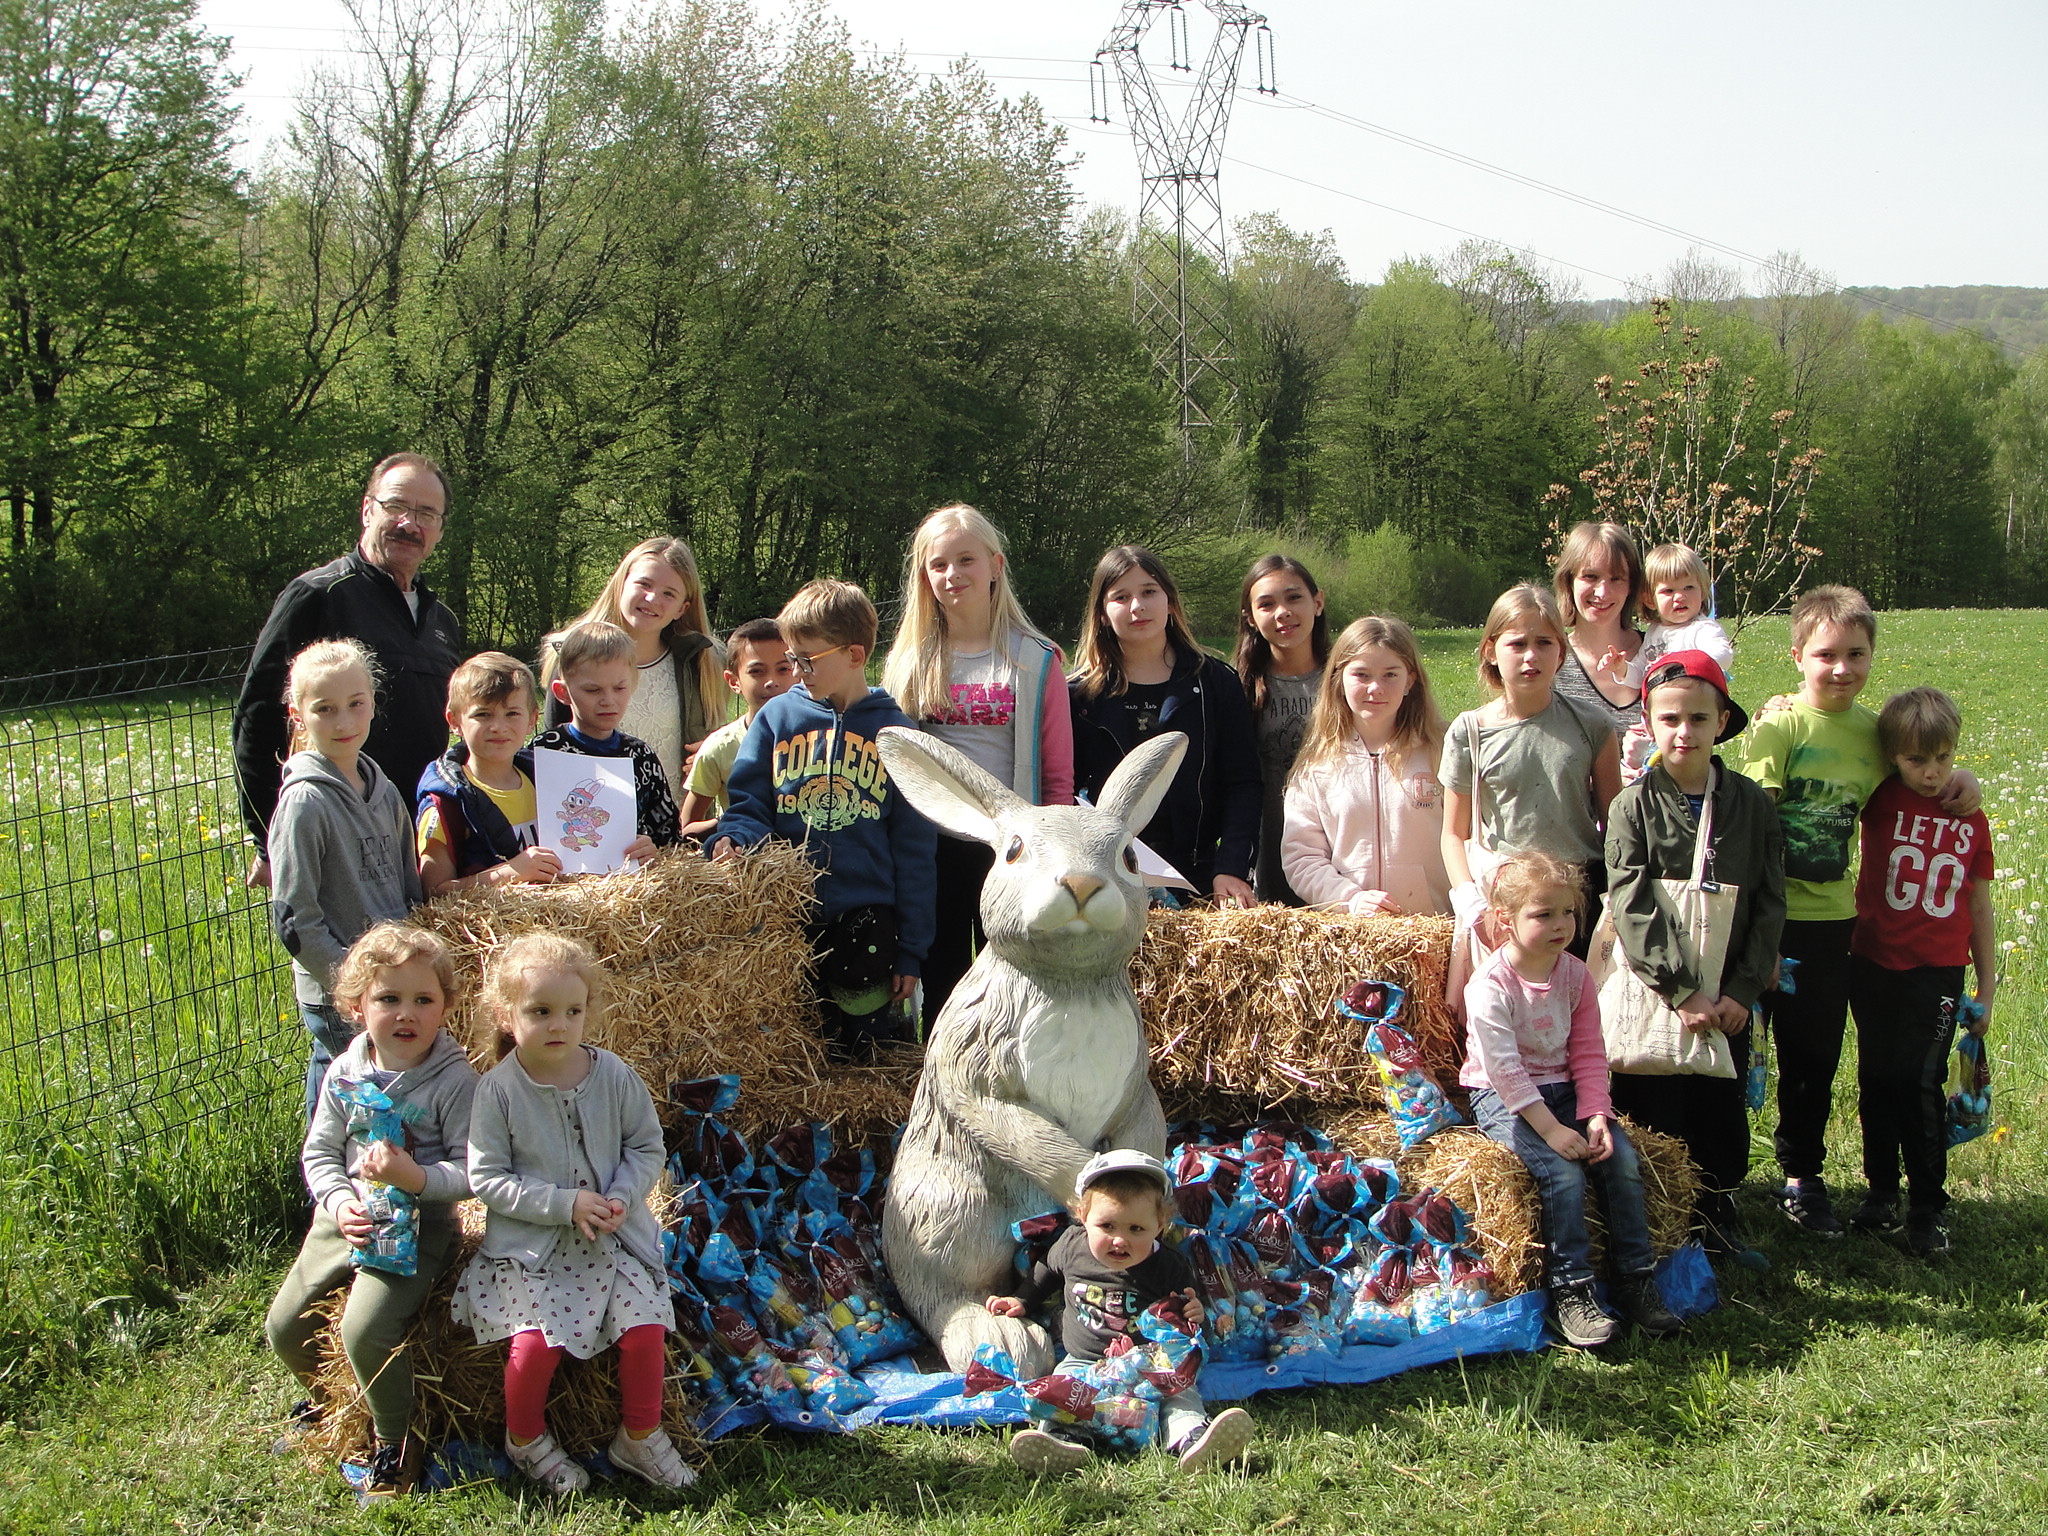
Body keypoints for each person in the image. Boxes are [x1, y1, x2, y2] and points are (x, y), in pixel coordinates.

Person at [1738, 586, 1980, 1238]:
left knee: (1814, 1055)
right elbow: (1755, 813)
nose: (1841, 667)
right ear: (1797, 656)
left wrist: (1968, 781)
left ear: (1872, 655)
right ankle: (1719, 1177)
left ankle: (1803, 1176)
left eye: (1856, 654)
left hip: (1831, 925)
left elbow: (1922, 773)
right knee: (1738, 1050)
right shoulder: (1780, 725)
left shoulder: (1875, 735)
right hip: (1763, 919)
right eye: (1826, 654)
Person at [452, 932, 694, 1493]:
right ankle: (525, 1438)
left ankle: (639, 1436)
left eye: (572, 1011)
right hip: (536, 1253)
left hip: (613, 1240)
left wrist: (622, 1195)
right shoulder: (499, 1091)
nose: (558, 1024)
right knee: (536, 1342)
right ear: (505, 1014)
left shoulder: (613, 1075)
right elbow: (487, 1179)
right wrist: (563, 1205)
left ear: (590, 1011)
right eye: (540, 1011)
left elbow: (646, 1146)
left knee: (645, 1327)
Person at [265, 924, 478, 1503]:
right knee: (283, 1327)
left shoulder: (455, 1082)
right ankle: (338, 1403)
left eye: (422, 1000)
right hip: (349, 1215)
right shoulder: (344, 1072)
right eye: (388, 998)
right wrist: (339, 1202)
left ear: (446, 1008)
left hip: (419, 1224)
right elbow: (320, 1152)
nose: (405, 1013)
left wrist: (415, 1179)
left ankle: (395, 1443)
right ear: (356, 1007)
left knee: (365, 1329)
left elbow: (472, 1172)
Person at [1603, 652, 1784, 1268]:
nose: (1685, 732)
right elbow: (1630, 903)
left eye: (1699, 718)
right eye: (1670, 718)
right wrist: (1683, 990)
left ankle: (1717, 1217)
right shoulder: (1633, 807)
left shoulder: (1752, 805)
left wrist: (1741, 990)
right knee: (1654, 1110)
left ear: (1722, 721)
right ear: (1649, 724)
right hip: (1659, 993)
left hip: (1730, 992)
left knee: (1719, 1114)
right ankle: (1657, 1225)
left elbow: (1768, 903)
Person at [1459, 851, 1682, 1347]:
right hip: (1503, 1097)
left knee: (1620, 1160)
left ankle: (1635, 1279)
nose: (1561, 925)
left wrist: (1596, 1114)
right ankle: (1571, 1291)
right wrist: (1554, 1130)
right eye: (1543, 914)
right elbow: (1506, 1072)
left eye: (1568, 912)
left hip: (1565, 1088)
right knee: (1561, 1173)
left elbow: (1587, 1051)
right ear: (1505, 920)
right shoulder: (1490, 986)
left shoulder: (1576, 974)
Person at [710, 580, 938, 1059]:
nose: (797, 671)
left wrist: (912, 949)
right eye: (794, 658)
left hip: (868, 920)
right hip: (788, 914)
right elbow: (750, 802)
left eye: (808, 660)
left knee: (867, 1050)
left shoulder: (897, 733)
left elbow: (914, 849)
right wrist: (735, 836)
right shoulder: (777, 718)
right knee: (797, 1046)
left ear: (855, 655)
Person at [234, 452, 465, 889]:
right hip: (335, 836)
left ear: (439, 528)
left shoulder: (442, 620)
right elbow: (257, 717)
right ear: (367, 510)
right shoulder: (319, 597)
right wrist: (270, 840)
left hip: (417, 839)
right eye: (395, 506)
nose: (409, 524)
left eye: (426, 514)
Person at [882, 505, 1074, 1020]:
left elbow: (1056, 774)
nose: (952, 574)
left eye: (966, 559)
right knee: (943, 975)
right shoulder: (910, 659)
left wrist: (1049, 849)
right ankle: (949, 1078)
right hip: (932, 846)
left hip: (1010, 847)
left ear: (996, 566)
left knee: (1013, 972)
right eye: (938, 565)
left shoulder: (1036, 658)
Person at [986, 1150, 1256, 1476]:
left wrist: (1195, 1316)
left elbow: (1185, 1325)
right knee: (1064, 1390)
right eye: (1107, 1225)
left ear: (1160, 1225)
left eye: (1136, 1229)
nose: (1119, 1239)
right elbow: (1045, 1273)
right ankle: (1064, 1440)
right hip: (1086, 1362)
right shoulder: (1072, 1246)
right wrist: (1023, 1300)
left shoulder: (1169, 1266)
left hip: (1150, 1366)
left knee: (1180, 1393)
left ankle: (1191, 1437)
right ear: (1082, 1216)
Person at [1847, 687, 1998, 1256]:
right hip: (1872, 960)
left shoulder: (1970, 813)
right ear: (1892, 756)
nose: (1932, 773)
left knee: (1919, 1081)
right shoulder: (1879, 797)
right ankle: (1880, 1189)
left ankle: (1928, 1207)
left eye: (1943, 758)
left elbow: (1979, 906)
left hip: (1937, 972)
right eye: (1917, 760)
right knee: (1878, 1077)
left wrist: (1986, 984)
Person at [267, 639, 424, 1120]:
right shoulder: (305, 804)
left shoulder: (385, 790)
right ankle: (331, 1189)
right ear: (298, 715)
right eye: (325, 709)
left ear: (373, 703)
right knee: (350, 1101)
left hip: (391, 986)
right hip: (339, 995)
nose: (344, 723)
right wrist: (351, 987)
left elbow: (408, 886)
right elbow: (295, 919)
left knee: (380, 1100)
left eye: (356, 705)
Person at [1069, 546, 1262, 908]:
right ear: (1102, 614)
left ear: (1170, 602)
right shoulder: (1077, 696)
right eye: (1120, 597)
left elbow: (1243, 784)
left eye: (1148, 592)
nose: (1137, 607)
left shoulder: (1216, 685)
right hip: (1107, 878)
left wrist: (1232, 867)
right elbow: (1064, 793)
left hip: (1201, 877)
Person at [1441, 585, 1621, 958]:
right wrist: (1469, 899)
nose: (1531, 656)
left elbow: (1617, 825)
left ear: (1561, 652)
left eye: (1544, 643)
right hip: (1506, 901)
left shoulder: (1592, 724)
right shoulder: (1470, 731)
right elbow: (1453, 835)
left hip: (1577, 899)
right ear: (1490, 649)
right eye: (1517, 644)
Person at [1280, 615, 1451, 917]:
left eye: (1390, 675)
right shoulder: (1319, 764)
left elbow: (1471, 838)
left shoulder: (1444, 749)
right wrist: (1349, 899)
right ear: (1338, 678)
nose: (1375, 688)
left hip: (1435, 929)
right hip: (1354, 937)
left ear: (1410, 679)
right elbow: (1301, 857)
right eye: (1361, 675)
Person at [540, 538, 727, 798]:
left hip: (676, 828)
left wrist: (712, 752)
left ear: (682, 608)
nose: (652, 598)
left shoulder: (701, 662)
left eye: (669, 593)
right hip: (593, 824)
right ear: (621, 585)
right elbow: (553, 752)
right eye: (644, 584)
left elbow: (727, 738)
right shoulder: (572, 654)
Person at [415, 652, 562, 896]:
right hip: (487, 930)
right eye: (483, 714)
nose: (499, 727)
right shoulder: (446, 804)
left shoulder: (549, 781)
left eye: (512, 714)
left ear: (532, 720)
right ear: (454, 721)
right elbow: (434, 891)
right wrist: (510, 872)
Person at [529, 621, 679, 859]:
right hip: (559, 882)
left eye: (619, 688)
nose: (608, 700)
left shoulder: (641, 756)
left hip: (630, 885)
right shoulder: (543, 752)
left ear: (632, 685)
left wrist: (653, 849)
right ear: (562, 693)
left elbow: (669, 832)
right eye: (593, 690)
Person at [1236, 555, 1331, 906]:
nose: (1282, 612)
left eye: (1294, 598)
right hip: (1268, 848)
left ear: (1317, 602)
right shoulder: (1240, 686)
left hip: (1340, 852)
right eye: (1267, 604)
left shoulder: (1349, 678)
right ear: (1250, 617)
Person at [1603, 543, 1738, 783]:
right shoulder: (1655, 633)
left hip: (1687, 718)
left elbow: (1723, 655)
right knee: (1633, 755)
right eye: (1668, 591)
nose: (1680, 597)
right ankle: (1635, 786)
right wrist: (1621, 669)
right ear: (1650, 599)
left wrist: (1687, 668)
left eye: (1689, 587)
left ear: (1703, 591)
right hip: (1656, 718)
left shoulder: (1702, 629)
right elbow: (1641, 676)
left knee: (1676, 768)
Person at [679, 618, 799, 839]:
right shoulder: (719, 747)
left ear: (800, 671)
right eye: (757, 671)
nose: (771, 681)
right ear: (734, 681)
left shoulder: (822, 736)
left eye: (784, 669)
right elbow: (687, 829)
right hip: (749, 863)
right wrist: (735, 821)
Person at [1551, 520, 1648, 748]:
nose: (1603, 592)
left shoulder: (1658, 654)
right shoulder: (1551, 662)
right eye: (1591, 577)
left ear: (1631, 585)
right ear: (1569, 581)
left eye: (1616, 578)